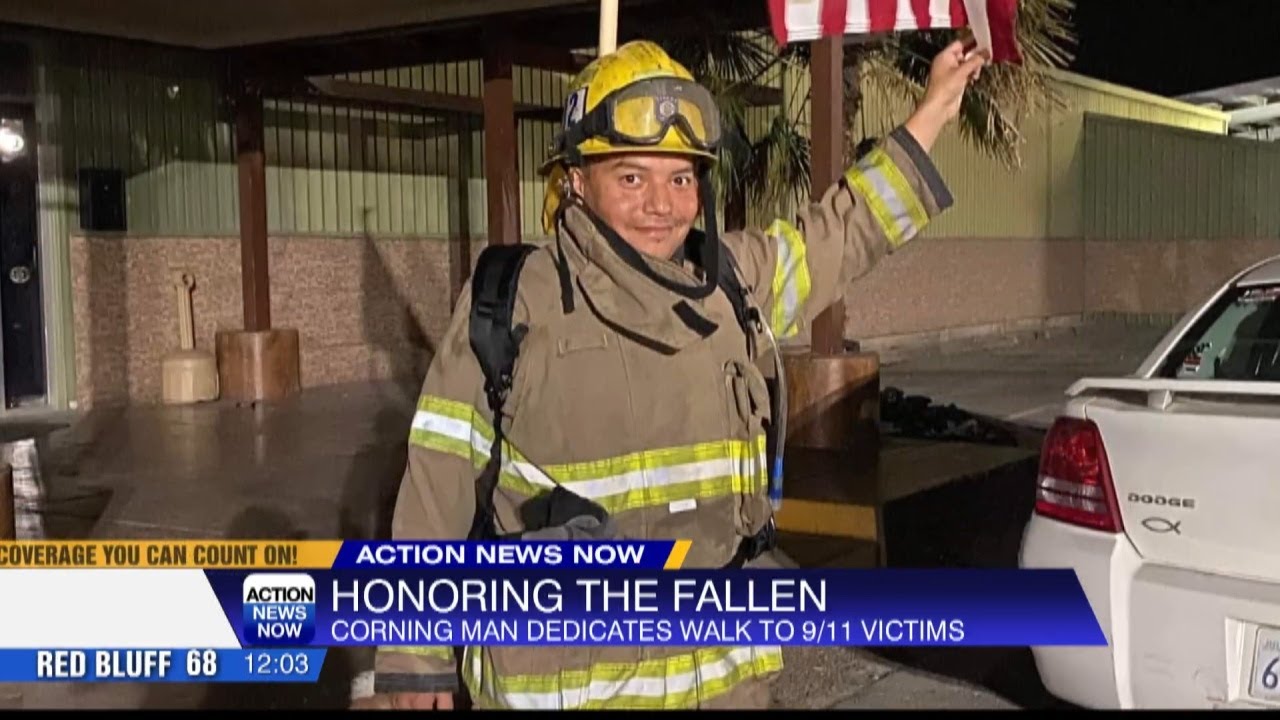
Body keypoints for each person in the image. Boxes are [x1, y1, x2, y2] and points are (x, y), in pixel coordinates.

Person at [355, 37, 983, 710]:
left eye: (680, 178)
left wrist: (935, 109)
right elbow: (436, 480)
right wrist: (411, 656)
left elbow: (843, 229)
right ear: (575, 180)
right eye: (631, 177)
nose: (662, 203)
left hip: (722, 688)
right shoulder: (514, 301)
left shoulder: (733, 285)